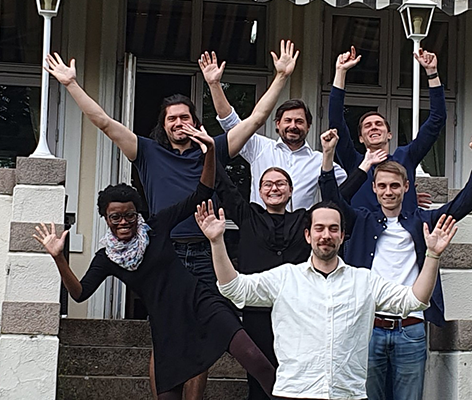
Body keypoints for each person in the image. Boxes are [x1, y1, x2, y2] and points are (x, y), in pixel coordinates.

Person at [44, 42, 297, 398]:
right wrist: (71, 84)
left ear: (195, 122)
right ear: (163, 125)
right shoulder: (147, 152)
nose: (179, 123)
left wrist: (281, 77)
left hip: (210, 254)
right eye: (172, 118)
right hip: (165, 253)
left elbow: (255, 120)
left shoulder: (214, 148)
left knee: (209, 330)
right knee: (166, 334)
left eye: (185, 117)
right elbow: (102, 121)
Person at [32, 128, 274, 400]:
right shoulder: (107, 258)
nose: (124, 222)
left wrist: (211, 153)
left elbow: (201, 192)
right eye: (115, 217)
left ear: (138, 214)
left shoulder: (157, 226)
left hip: (202, 303)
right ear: (105, 218)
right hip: (166, 324)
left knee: (256, 359)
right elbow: (79, 293)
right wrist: (58, 257)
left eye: (129, 215)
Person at [195, 197, 459, 400]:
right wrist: (217, 242)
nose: (326, 235)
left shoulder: (364, 281)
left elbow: (416, 300)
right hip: (295, 393)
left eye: (334, 229)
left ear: (343, 236)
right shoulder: (285, 277)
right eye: (319, 228)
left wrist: (433, 255)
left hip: (347, 394)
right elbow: (234, 288)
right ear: (308, 235)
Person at [318, 129, 472, 400]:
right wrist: (328, 156)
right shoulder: (361, 220)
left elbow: (462, 205)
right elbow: (331, 202)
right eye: (382, 186)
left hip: (411, 329)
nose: (388, 192)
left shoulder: (422, 221)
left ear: (406, 187)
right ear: (373, 188)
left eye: (395, 186)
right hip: (368, 327)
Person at [213, 136, 386, 400]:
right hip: (257, 310)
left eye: (281, 183)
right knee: (258, 378)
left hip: (299, 313)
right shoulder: (248, 215)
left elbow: (337, 200)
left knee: (298, 379)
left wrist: (363, 166)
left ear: (291, 190)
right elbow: (223, 185)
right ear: (259, 191)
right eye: (268, 184)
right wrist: (210, 150)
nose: (274, 188)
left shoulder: (304, 220)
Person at [201, 51, 347, 211]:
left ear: (308, 126)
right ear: (277, 124)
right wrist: (214, 85)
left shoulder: (319, 160)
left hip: (299, 232)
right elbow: (231, 123)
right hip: (261, 229)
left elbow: (343, 189)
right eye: (288, 121)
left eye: (299, 121)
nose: (293, 126)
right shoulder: (260, 147)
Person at [329, 46, 447, 212]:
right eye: (367, 126)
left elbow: (437, 119)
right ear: (361, 138)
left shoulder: (406, 157)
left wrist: (432, 73)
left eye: (379, 124)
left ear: (389, 134)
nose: (373, 128)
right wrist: (340, 72)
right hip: (363, 235)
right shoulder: (354, 162)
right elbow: (336, 122)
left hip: (402, 235)